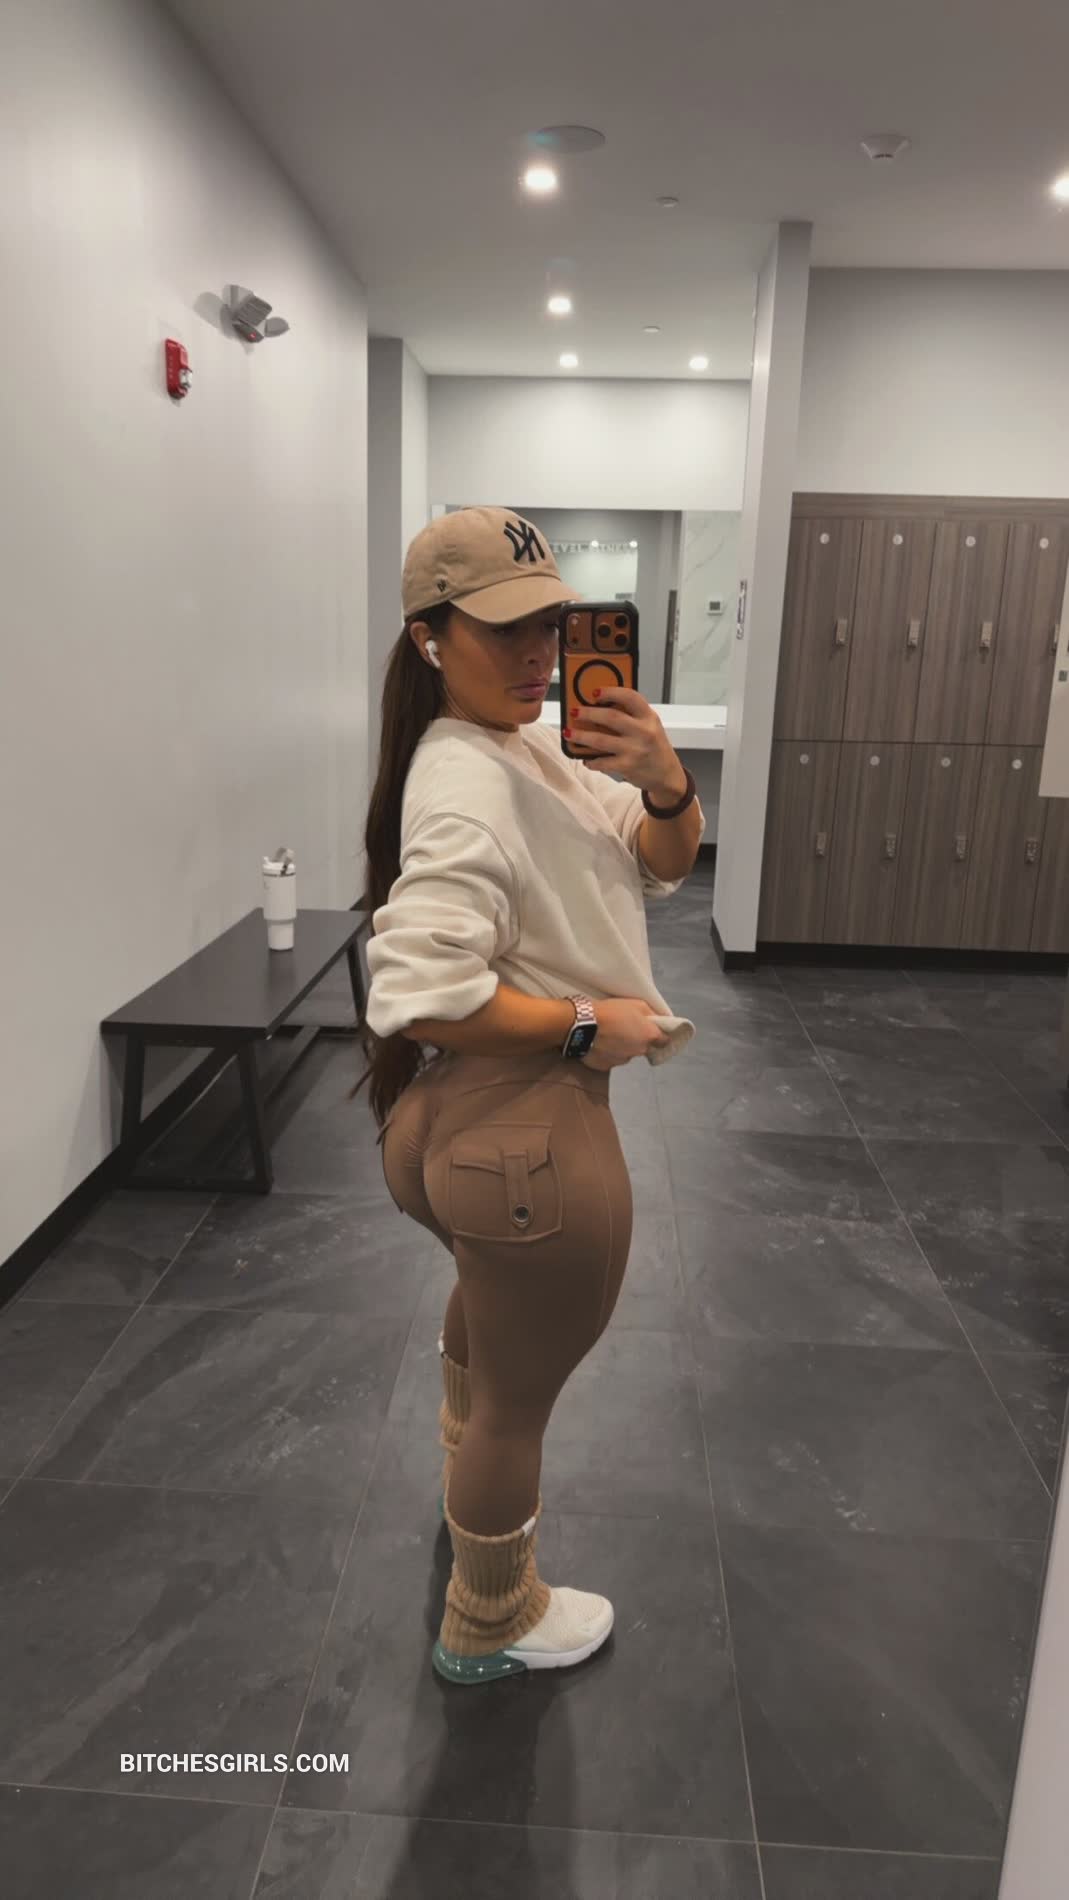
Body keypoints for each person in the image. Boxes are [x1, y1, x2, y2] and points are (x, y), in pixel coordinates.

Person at [350, 507, 705, 1686]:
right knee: (517, 1404)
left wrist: (665, 786)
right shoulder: (467, 778)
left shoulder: (520, 747)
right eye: (502, 629)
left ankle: (469, 1492)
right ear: (429, 637)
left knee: (489, 1338)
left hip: (461, 1131)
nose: (537, 654)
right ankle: (490, 1617)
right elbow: (419, 991)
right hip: (525, 1140)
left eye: (548, 624)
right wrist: (591, 1022)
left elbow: (656, 857)